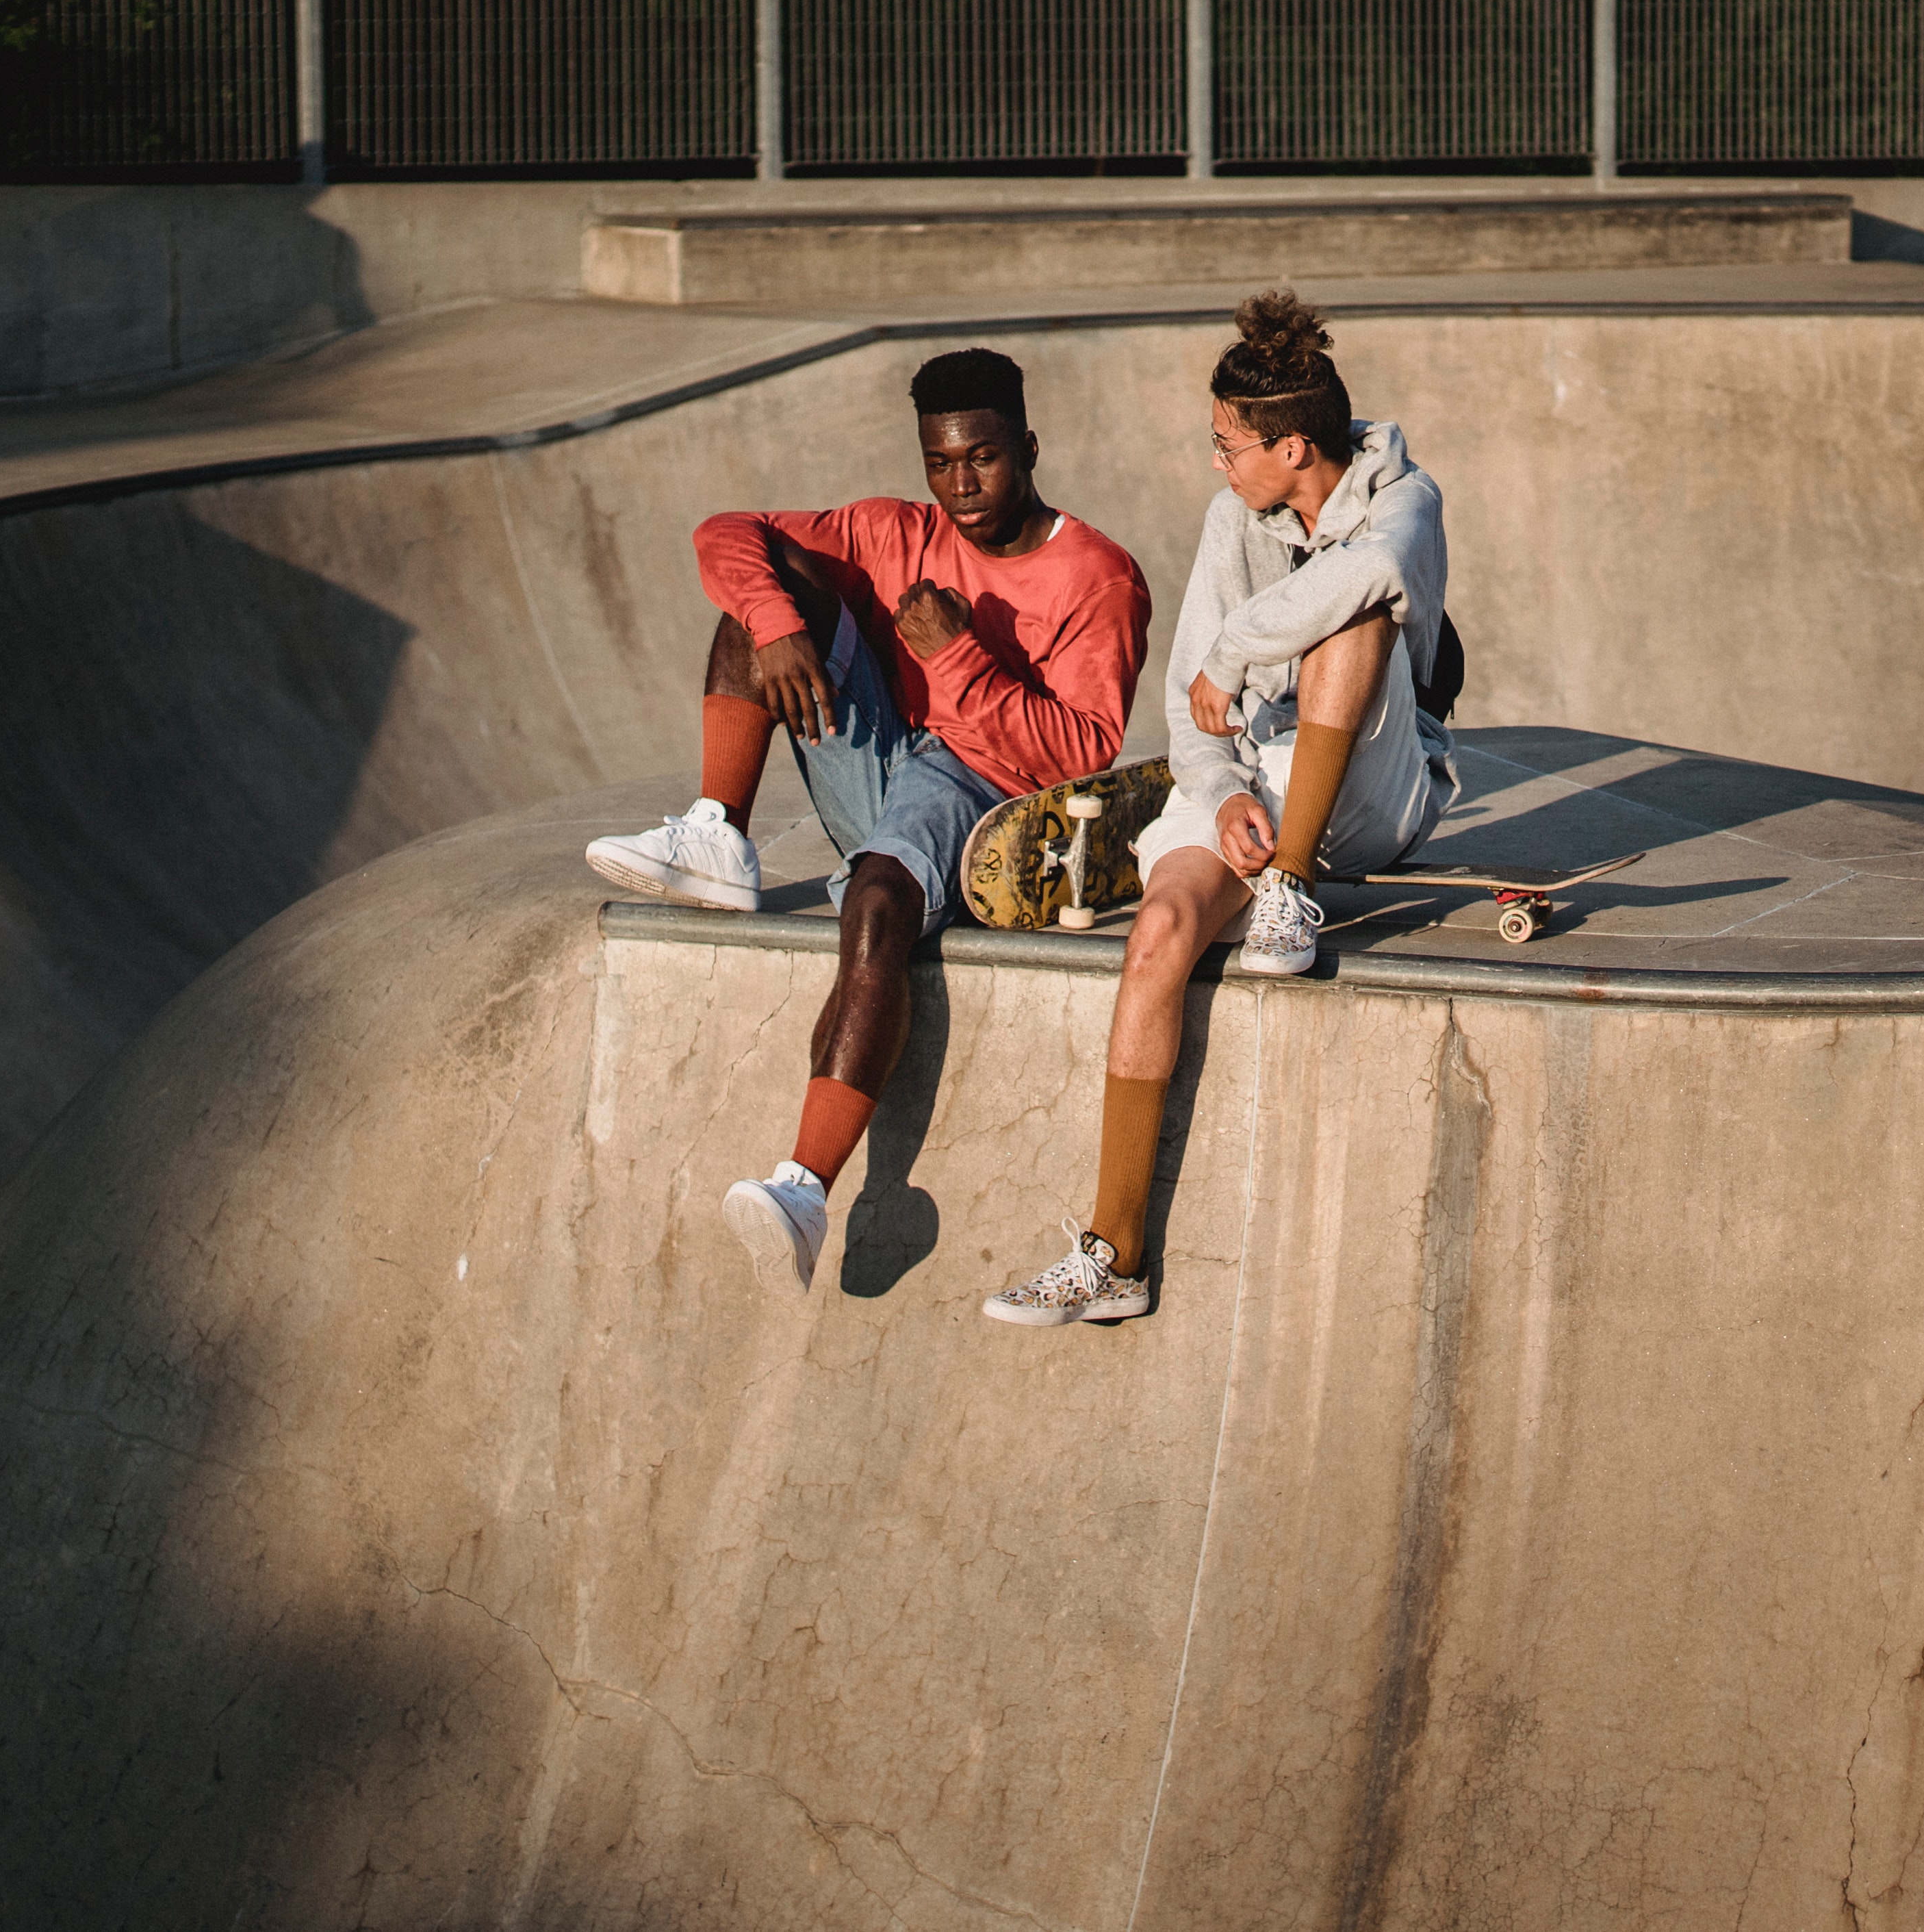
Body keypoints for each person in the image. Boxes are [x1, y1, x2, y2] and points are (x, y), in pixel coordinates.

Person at [584, 346, 1150, 1293]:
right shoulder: (895, 531)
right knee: (766, 593)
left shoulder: (1098, 577)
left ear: (1028, 448)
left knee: (878, 902)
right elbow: (726, 532)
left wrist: (957, 658)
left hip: (984, 794)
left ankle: (806, 1189)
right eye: (940, 463)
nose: (961, 487)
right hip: (883, 762)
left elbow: (1079, 758)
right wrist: (778, 624)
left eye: (983, 459)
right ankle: (719, 832)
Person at [982, 291, 1457, 1327]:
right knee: (1158, 932)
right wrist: (1223, 789)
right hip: (1260, 775)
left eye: (1229, 446)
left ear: (1293, 449)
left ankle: (1289, 886)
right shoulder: (1228, 522)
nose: (1217, 463)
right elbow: (1188, 700)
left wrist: (1241, 650)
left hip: (1378, 787)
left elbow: (1373, 572)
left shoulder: (1404, 501)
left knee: (1352, 616)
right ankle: (1114, 1254)